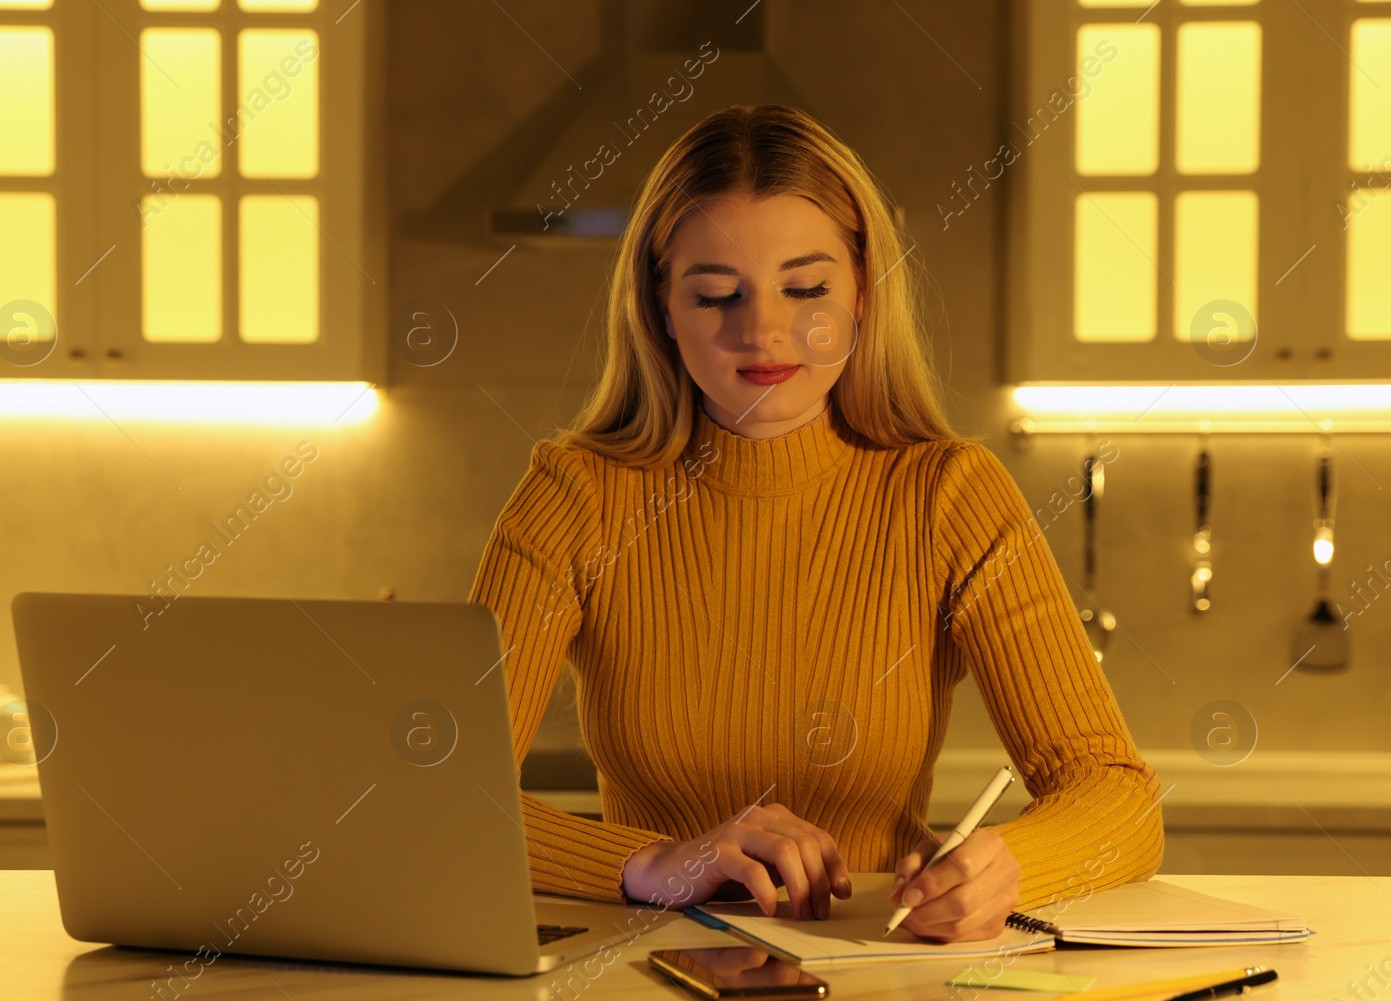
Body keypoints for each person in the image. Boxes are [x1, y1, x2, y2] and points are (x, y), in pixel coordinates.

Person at [468, 104, 1163, 943]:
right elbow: (433, 794)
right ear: (659, 308)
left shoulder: (949, 494)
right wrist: (655, 863)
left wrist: (1011, 865)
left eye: (806, 288)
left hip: (884, 966)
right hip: (640, 975)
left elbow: (1120, 799)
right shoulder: (575, 494)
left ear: (864, 293)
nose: (763, 329)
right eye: (717, 293)